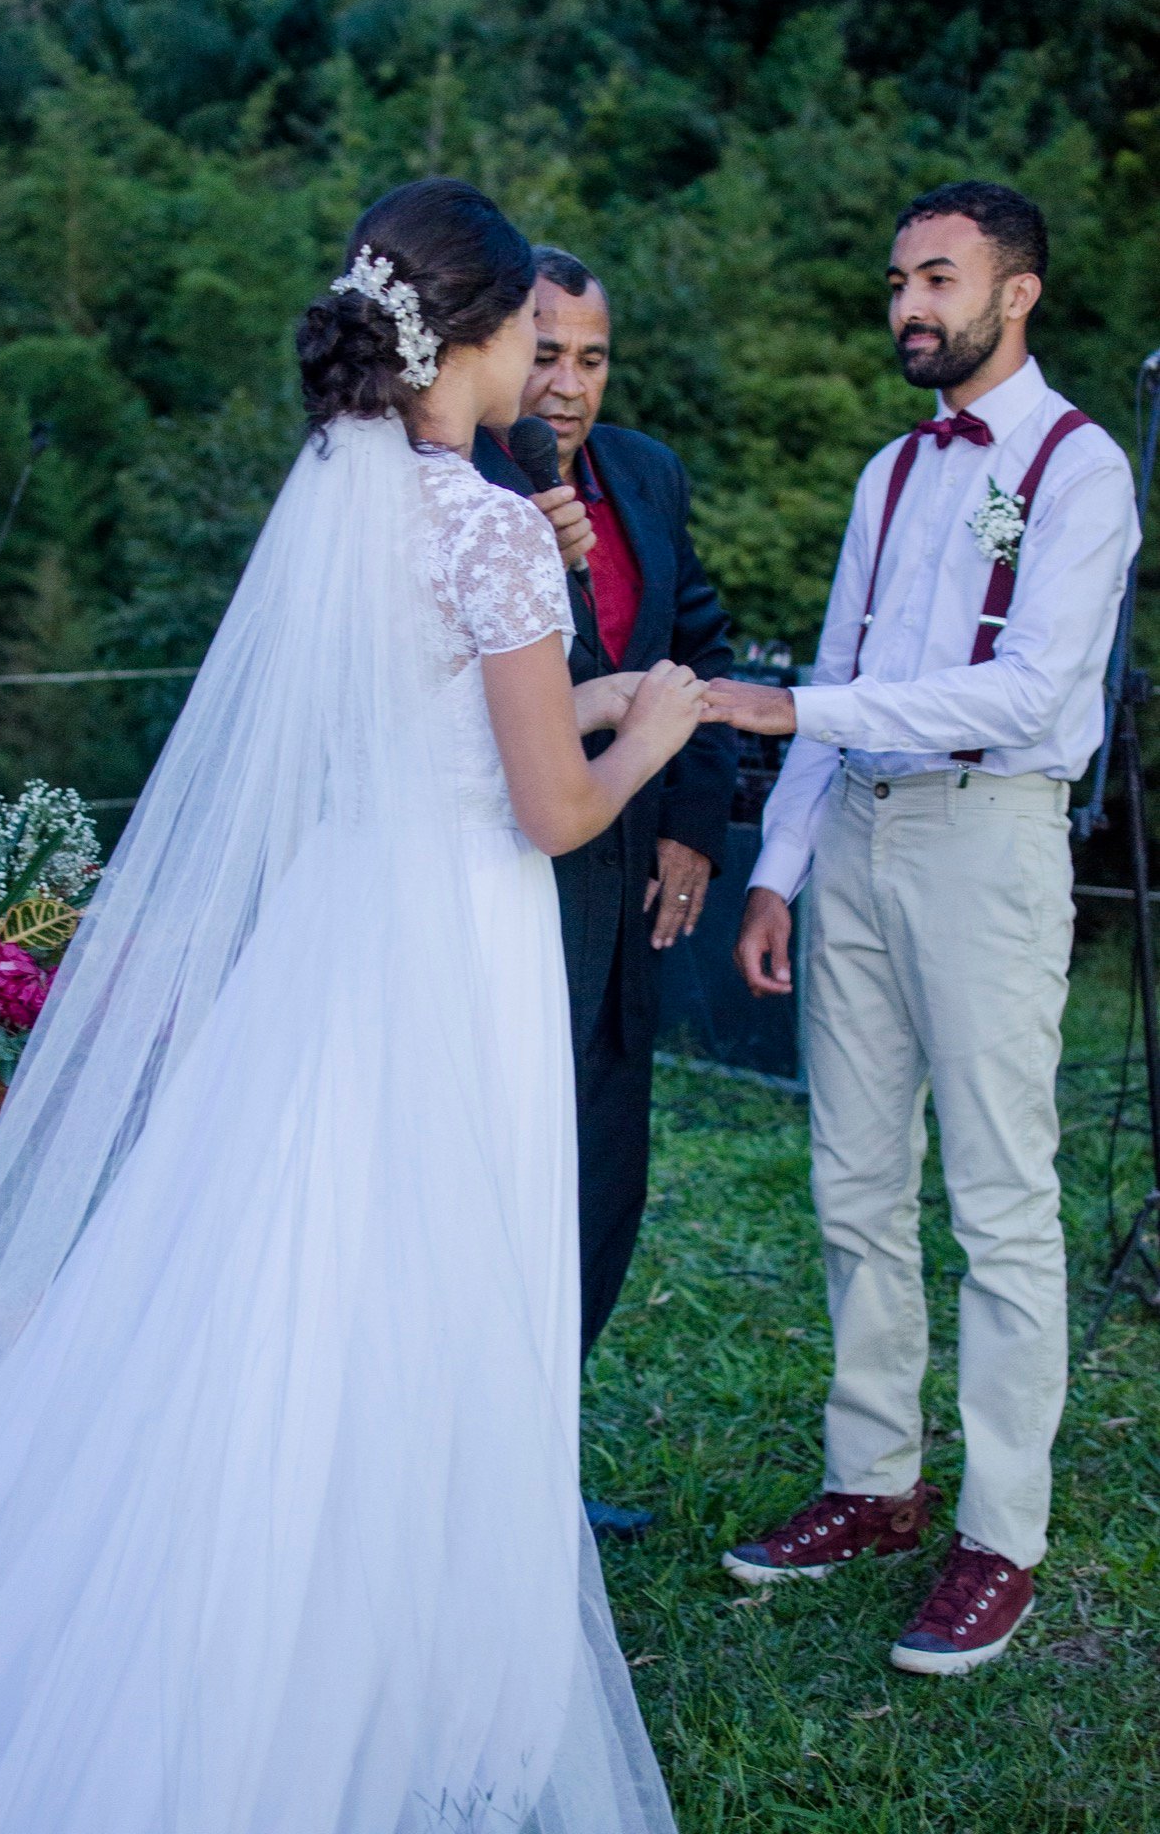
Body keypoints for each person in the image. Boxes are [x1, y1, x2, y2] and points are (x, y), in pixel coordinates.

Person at [0, 179, 696, 1830]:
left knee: (304, 1264)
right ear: (482, 334)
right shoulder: (487, 522)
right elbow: (551, 812)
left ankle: (277, 1607)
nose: (543, 361)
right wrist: (659, 730)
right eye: (530, 334)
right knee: (441, 1278)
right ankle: (399, 1668)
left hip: (341, 932)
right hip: (456, 943)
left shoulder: (338, 492)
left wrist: (590, 690)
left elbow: (421, 721)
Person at [702, 181, 1138, 1675]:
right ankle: (872, 1482)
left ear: (1015, 293)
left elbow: (1027, 691)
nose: (906, 305)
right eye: (897, 279)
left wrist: (793, 711)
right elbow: (839, 668)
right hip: (855, 837)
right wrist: (778, 866)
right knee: (851, 1183)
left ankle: (998, 1535)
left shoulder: (1080, 468)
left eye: (936, 278)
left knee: (999, 1201)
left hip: (985, 838)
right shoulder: (887, 472)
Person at [474, 251, 738, 1535]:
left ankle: (536, 1469)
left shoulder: (645, 472)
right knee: (499, 1188)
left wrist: (691, 823)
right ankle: (469, 1478)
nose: (567, 387)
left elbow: (698, 646)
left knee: (601, 1184)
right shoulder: (450, 486)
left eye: (590, 358)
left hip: (626, 892)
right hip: (504, 888)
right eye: (543, 354)